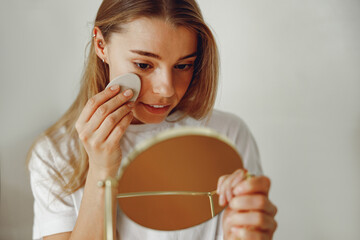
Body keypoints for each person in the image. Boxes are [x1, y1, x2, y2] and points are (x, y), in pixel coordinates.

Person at [27, 0, 277, 239]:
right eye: (144, 65)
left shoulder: (227, 135)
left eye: (183, 66)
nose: (166, 89)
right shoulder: (54, 154)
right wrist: (102, 171)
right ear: (102, 46)